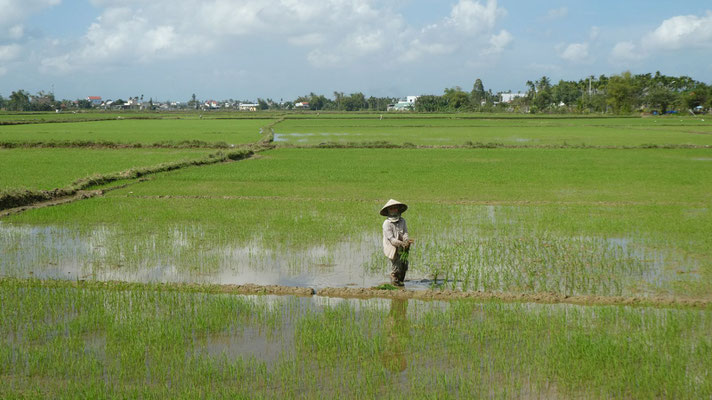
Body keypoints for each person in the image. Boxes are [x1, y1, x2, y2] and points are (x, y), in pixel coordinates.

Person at [380, 199, 413, 286]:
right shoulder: (387, 223)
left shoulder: (402, 221)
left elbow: (405, 232)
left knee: (404, 265)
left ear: (398, 209)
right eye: (391, 208)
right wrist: (402, 243)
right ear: (388, 211)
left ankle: (401, 283)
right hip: (392, 247)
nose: (394, 210)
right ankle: (394, 282)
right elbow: (391, 239)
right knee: (397, 266)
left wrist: (406, 240)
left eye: (395, 208)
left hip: (403, 246)